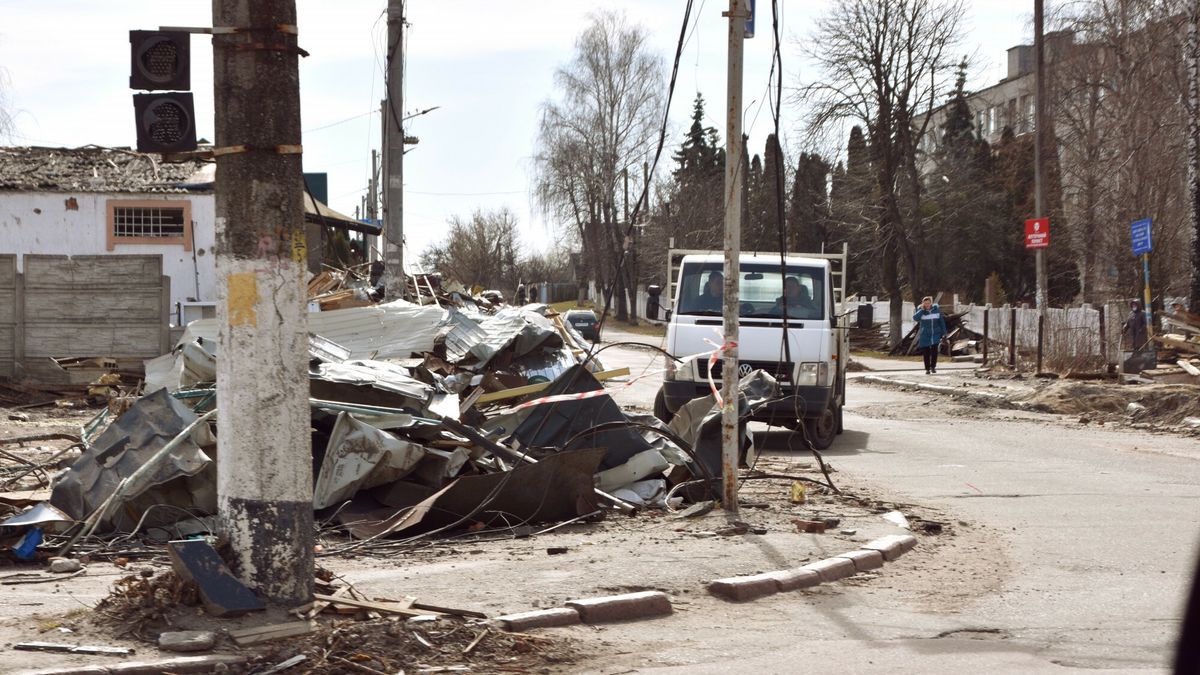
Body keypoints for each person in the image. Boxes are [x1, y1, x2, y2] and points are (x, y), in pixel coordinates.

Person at [913, 296, 947, 374]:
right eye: (925, 303)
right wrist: (922, 310)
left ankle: (933, 367)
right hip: (925, 334)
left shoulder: (936, 311)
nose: (927, 305)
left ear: (931, 303)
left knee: (934, 351)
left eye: (928, 303)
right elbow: (915, 318)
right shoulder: (921, 311)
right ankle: (927, 368)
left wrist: (944, 333)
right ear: (923, 304)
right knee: (926, 352)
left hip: (935, 333)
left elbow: (941, 322)